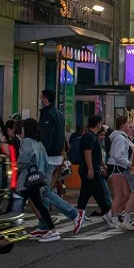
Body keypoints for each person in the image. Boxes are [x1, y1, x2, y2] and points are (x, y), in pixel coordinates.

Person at [36, 89, 81, 226]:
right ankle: (44, 225)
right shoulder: (58, 114)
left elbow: (46, 138)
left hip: (48, 157)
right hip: (55, 156)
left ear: (45, 99)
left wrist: (41, 155)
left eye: (41, 97)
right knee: (42, 189)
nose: (40, 100)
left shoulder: (48, 115)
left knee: (44, 190)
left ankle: (73, 213)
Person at [76, 116, 115, 227]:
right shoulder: (89, 136)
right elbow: (87, 153)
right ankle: (106, 212)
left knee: (85, 193)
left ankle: (78, 215)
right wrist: (91, 169)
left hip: (91, 169)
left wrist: (103, 165)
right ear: (98, 124)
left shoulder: (92, 137)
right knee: (99, 193)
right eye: (100, 123)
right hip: (89, 170)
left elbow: (96, 154)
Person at [107, 116, 134, 229]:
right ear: (123, 125)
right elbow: (118, 155)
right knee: (118, 195)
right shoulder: (120, 138)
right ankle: (113, 218)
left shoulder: (122, 137)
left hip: (120, 167)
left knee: (125, 194)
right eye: (128, 125)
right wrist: (129, 163)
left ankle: (113, 215)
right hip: (117, 167)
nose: (130, 127)